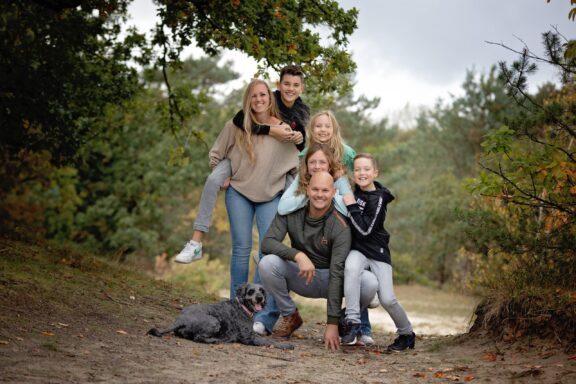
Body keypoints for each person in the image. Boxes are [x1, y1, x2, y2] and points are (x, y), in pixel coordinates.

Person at [174, 65, 309, 263]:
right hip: (239, 160)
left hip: (271, 167)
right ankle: (196, 241)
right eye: (286, 84)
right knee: (213, 180)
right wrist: (271, 131)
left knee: (297, 198)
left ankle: (290, 252)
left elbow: (300, 143)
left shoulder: (300, 111)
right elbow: (240, 119)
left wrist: (298, 138)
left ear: (301, 88)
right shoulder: (265, 97)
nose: (290, 88)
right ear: (278, 86)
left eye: (296, 85)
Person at [201, 79, 300, 332]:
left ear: (271, 97)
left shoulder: (283, 129)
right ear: (249, 99)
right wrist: (220, 174)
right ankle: (236, 307)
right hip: (239, 193)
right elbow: (216, 154)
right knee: (241, 249)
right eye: (254, 96)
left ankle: (260, 310)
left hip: (270, 196)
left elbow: (295, 163)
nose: (259, 99)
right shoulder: (236, 126)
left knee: (267, 252)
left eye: (263, 95)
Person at [279, 110, 377, 346]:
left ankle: (362, 325)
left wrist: (339, 183)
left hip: (345, 219)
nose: (323, 130)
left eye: (327, 126)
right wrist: (310, 195)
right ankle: (278, 314)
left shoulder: (347, 153)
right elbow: (286, 204)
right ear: (312, 130)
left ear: (334, 129)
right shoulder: (306, 154)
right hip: (320, 216)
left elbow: (355, 186)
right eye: (318, 126)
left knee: (352, 264)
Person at [258, 171, 379, 351]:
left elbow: (338, 270)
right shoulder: (291, 211)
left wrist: (332, 323)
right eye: (315, 189)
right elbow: (267, 243)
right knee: (267, 263)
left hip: (334, 278)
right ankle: (290, 314)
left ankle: (343, 320)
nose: (319, 195)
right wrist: (298, 255)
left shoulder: (340, 224)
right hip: (305, 277)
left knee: (369, 282)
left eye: (325, 190)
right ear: (307, 190)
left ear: (333, 192)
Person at [341, 153, 416, 351]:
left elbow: (365, 231)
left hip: (377, 250)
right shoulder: (353, 191)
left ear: (375, 172)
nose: (361, 173)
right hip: (358, 250)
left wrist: (351, 205)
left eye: (366, 169)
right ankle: (352, 321)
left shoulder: (379, 198)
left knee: (387, 299)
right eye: (357, 169)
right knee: (351, 268)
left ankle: (406, 334)